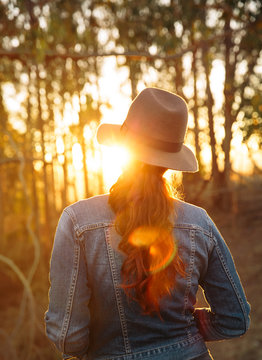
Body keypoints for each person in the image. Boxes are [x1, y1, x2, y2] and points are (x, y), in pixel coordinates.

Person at [45, 88, 250, 360]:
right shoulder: (200, 223)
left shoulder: (77, 221)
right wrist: (185, 331)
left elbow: (68, 337)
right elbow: (235, 319)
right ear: (170, 162)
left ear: (124, 146)